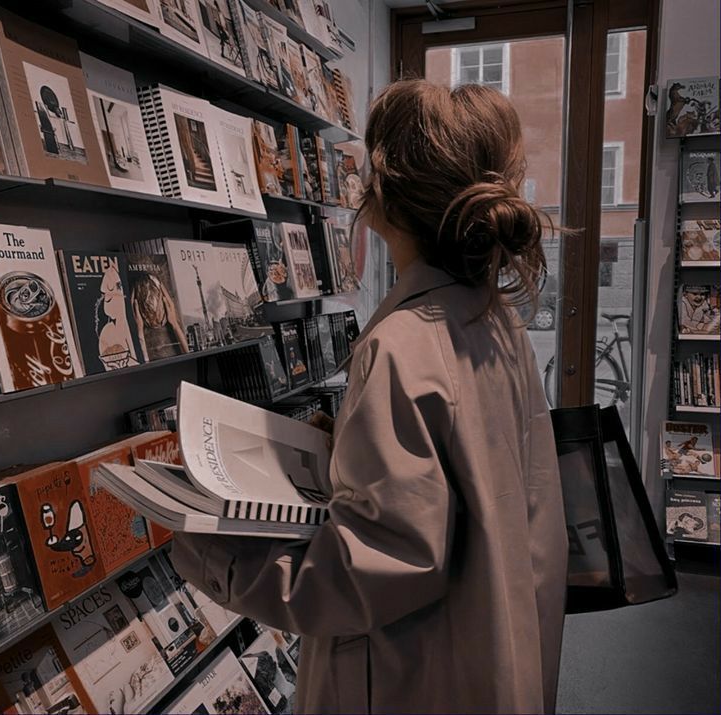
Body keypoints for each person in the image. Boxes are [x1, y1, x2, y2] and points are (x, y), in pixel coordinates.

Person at [172, 79, 568, 714]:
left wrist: (212, 553)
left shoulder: (401, 346)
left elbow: (376, 567)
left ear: (383, 192)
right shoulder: (494, 319)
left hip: (407, 679)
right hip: (490, 651)